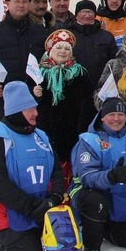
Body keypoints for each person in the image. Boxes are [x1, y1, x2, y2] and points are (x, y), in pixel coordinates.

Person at [0, 81, 64, 251]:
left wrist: (54, 198)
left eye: (34, 108)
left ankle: (28, 241)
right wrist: (32, 207)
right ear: (15, 111)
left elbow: (56, 170)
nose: (35, 114)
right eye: (29, 110)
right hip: (9, 213)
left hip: (41, 211)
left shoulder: (41, 136)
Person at [69, 98, 126, 251]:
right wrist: (110, 177)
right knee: (95, 201)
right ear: (102, 117)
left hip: (125, 199)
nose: (116, 119)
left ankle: (107, 230)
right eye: (111, 114)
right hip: (98, 198)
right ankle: (91, 246)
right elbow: (86, 177)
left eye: (121, 114)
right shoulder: (89, 140)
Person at [34, 28, 93, 165]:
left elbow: (88, 102)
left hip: (71, 129)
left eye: (67, 49)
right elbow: (27, 102)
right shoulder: (37, 73)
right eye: (59, 47)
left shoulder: (79, 73)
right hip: (44, 128)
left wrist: (82, 127)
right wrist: (34, 93)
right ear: (50, 50)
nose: (63, 51)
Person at [69, 0, 118, 89]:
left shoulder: (106, 36)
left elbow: (114, 62)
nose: (87, 15)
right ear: (76, 14)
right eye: (84, 12)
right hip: (73, 87)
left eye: (90, 12)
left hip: (100, 86)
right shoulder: (68, 35)